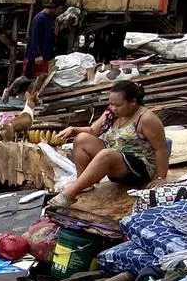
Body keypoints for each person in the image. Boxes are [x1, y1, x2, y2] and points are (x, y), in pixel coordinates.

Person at [49, 80, 169, 208]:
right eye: (111, 104)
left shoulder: (146, 118)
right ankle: (84, 183)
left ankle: (69, 194)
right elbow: (93, 131)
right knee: (81, 139)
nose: (113, 108)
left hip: (139, 169)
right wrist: (73, 129)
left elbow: (161, 148)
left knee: (107, 154)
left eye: (117, 105)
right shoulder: (112, 113)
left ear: (133, 102)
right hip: (115, 159)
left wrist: (161, 177)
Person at [25, 0, 67, 78]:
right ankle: (9, 90)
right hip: (36, 57)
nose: (60, 12)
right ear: (55, 8)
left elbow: (53, 34)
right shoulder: (39, 18)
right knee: (28, 80)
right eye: (61, 9)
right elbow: (34, 37)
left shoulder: (51, 18)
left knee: (40, 80)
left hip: (45, 55)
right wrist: (37, 54)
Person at [0, 76, 41, 141]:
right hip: (9, 128)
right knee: (7, 146)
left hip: (4, 126)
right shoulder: (29, 114)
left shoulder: (24, 107)